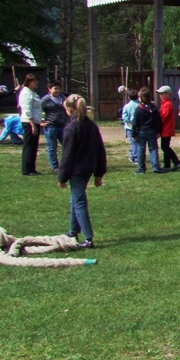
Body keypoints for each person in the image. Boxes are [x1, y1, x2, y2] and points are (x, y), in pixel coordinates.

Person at [56, 94, 106, 249]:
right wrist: (99, 172)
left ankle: (88, 238)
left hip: (77, 170)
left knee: (79, 202)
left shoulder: (71, 128)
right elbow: (100, 150)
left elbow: (67, 155)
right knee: (75, 199)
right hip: (89, 168)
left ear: (70, 109)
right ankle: (73, 231)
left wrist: (62, 177)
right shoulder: (91, 125)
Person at [133, 86, 165, 174]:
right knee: (153, 149)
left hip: (141, 132)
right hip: (152, 131)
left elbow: (135, 123)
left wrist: (133, 134)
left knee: (140, 149)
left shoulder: (138, 109)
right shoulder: (154, 108)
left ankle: (141, 168)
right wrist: (159, 131)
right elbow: (158, 121)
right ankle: (156, 167)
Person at [41, 79, 69, 172]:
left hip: (63, 126)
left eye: (59, 89)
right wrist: (41, 121)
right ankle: (55, 166)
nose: (57, 90)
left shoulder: (63, 98)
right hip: (51, 127)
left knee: (67, 145)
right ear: (49, 89)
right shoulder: (45, 100)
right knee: (52, 147)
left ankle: (66, 164)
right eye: (55, 88)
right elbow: (37, 110)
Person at [18, 74, 41, 175]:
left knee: (34, 146)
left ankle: (32, 168)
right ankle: (26, 169)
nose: (36, 83)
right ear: (29, 82)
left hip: (36, 121)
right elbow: (27, 109)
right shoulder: (26, 93)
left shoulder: (33, 93)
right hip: (29, 122)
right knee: (29, 146)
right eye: (34, 81)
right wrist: (32, 125)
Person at [158, 85, 180, 171]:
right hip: (166, 128)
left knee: (165, 146)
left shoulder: (167, 104)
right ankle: (172, 163)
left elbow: (163, 117)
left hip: (166, 128)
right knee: (165, 146)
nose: (160, 95)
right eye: (160, 94)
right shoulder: (165, 103)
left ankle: (172, 163)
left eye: (162, 94)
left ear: (167, 94)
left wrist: (157, 124)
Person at [121, 88, 139, 164]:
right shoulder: (140, 105)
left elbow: (125, 118)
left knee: (133, 143)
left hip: (130, 127)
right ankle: (134, 156)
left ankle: (135, 157)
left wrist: (130, 125)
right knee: (138, 142)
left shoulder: (126, 106)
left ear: (129, 97)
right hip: (138, 126)